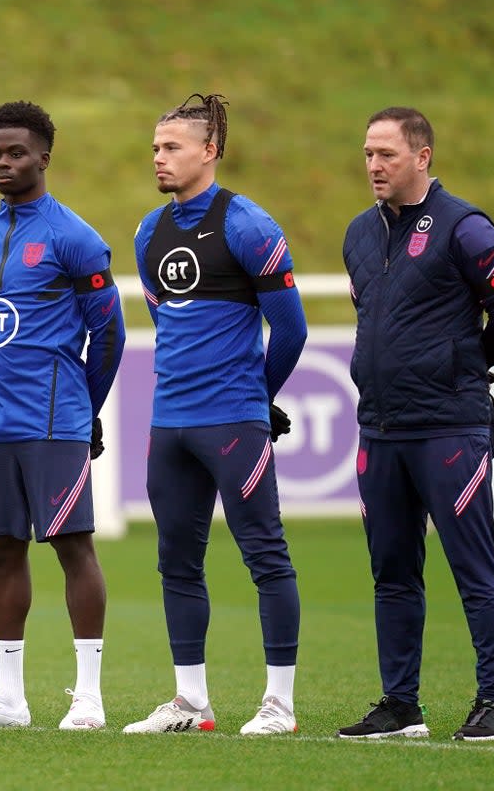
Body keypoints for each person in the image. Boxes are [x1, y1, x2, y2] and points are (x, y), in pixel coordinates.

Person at [336, 107, 494, 742]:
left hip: (449, 429)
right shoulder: (359, 235)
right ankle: (401, 705)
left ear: (422, 157)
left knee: (475, 569)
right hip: (380, 431)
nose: (372, 165)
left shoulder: (465, 228)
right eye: (367, 153)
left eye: (386, 154)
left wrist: (460, 370)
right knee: (391, 573)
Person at [0, 100, 125, 730]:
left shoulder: (75, 237)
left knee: (73, 547)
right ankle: (8, 699)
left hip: (52, 423)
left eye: (16, 153)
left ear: (45, 156)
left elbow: (111, 337)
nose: (3, 163)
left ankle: (90, 698)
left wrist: (83, 408)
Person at [122, 94, 308, 737]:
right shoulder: (149, 231)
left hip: (232, 421)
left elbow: (290, 330)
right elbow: (163, 320)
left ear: (209, 151)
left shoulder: (248, 225)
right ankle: (190, 703)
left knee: (265, 555)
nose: (159, 158)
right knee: (176, 559)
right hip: (169, 423)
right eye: (155, 148)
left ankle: (278, 705)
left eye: (171, 147)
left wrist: (257, 394)